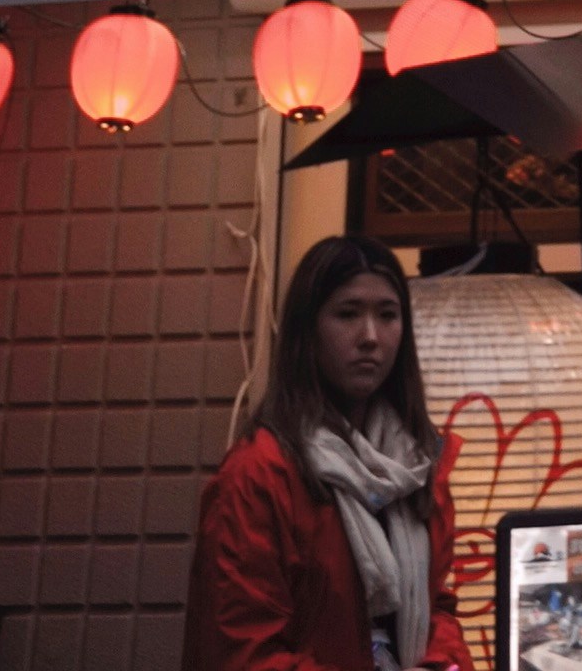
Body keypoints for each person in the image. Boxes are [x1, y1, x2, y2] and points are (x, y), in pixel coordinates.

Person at [185, 236, 467, 671]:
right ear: (307, 329)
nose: (370, 337)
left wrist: (442, 664)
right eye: (348, 314)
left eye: (387, 315)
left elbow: (439, 606)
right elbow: (240, 652)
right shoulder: (259, 475)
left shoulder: (414, 463)